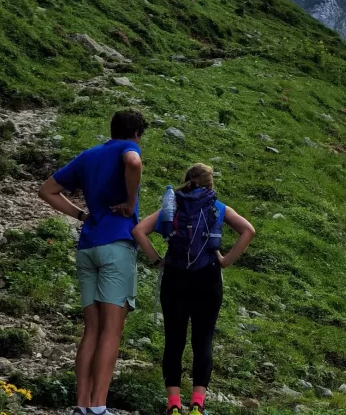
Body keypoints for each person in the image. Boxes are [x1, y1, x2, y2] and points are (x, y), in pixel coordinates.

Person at [38, 109, 148, 415]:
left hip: (88, 245)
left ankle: (82, 405)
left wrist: (82, 215)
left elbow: (47, 190)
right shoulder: (128, 148)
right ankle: (99, 407)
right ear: (136, 134)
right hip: (116, 246)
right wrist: (130, 200)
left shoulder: (88, 156)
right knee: (112, 331)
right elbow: (133, 162)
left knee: (91, 330)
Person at [132, 163, 255, 415]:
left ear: (186, 180)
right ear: (211, 184)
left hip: (175, 278)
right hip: (207, 278)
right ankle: (198, 404)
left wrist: (157, 260)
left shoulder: (171, 207)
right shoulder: (218, 208)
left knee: (174, 340)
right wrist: (226, 260)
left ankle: (174, 404)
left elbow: (139, 230)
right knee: (203, 340)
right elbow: (248, 230)